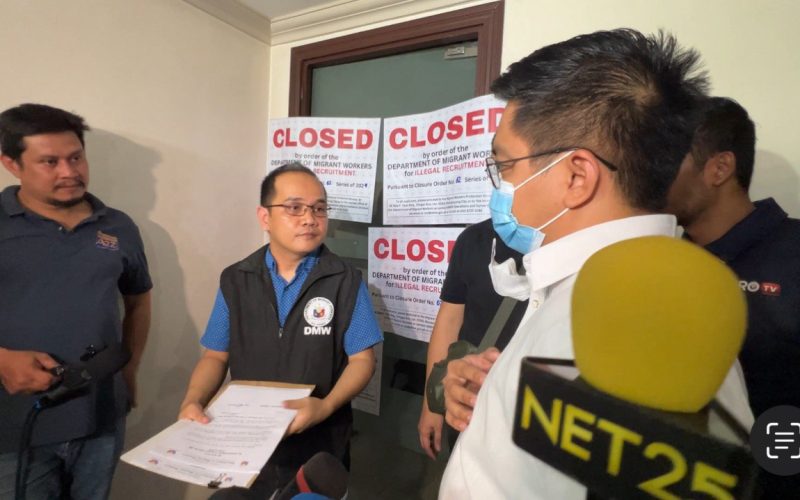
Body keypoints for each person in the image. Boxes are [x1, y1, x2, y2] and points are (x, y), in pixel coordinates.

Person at [438, 29, 754, 498]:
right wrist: (494, 395)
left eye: (504, 166)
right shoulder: (593, 291)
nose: (500, 185)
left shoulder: (636, 321)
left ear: (576, 176)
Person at [178, 163, 382, 496]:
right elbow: (215, 355)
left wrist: (326, 406)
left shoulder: (345, 280)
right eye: (295, 208)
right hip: (247, 444)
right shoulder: (236, 279)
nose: (309, 218)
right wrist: (193, 400)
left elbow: (362, 361)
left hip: (319, 447)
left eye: (319, 208)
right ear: (265, 217)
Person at [0, 103, 152, 499]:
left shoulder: (118, 226)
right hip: (13, 430)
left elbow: (138, 300)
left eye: (76, 157)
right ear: (11, 164)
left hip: (100, 419)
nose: (69, 172)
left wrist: (130, 370)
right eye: (49, 162)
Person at [666, 96, 800, 497]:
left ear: (720, 168)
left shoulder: (793, 252)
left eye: (665, 159)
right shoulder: (658, 260)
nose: (648, 174)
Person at [417, 219, 526, 460]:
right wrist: (432, 403)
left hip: (530, 411)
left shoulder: (576, 248)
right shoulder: (475, 239)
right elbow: (449, 319)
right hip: (469, 403)